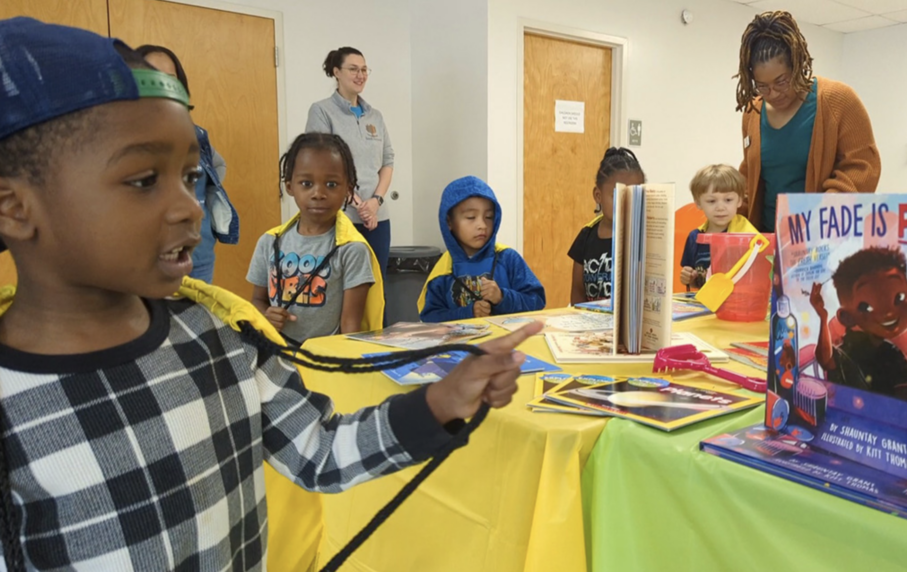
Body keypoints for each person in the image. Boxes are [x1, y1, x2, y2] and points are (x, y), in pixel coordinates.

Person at [0, 18, 536, 570]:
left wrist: (442, 401)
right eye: (142, 180)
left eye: (190, 177)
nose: (188, 208)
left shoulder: (221, 339)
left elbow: (320, 450)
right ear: (15, 207)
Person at [735, 11, 881, 232]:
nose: (772, 93)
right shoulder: (753, 110)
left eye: (781, 81)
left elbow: (861, 168)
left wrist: (817, 218)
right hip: (765, 240)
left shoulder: (837, 100)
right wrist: (727, 222)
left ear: (797, 64)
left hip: (822, 238)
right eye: (762, 86)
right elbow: (749, 177)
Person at [247, 133, 385, 345]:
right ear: (290, 186)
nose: (318, 193)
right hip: (277, 352)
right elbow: (257, 300)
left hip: (325, 359)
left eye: (331, 184)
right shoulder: (269, 242)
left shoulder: (352, 250)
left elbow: (350, 326)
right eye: (306, 183)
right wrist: (266, 314)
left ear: (348, 190)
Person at [136, 44, 239, 283]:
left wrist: (202, 196)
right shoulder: (123, 135)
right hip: (147, 256)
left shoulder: (194, 134)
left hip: (197, 252)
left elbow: (218, 166)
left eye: (170, 78)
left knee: (197, 319)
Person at [306, 47, 394, 291]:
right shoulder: (322, 111)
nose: (360, 75)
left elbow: (388, 160)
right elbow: (322, 163)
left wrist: (375, 201)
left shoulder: (375, 116)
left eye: (364, 69)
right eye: (353, 69)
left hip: (377, 218)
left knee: (376, 288)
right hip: (340, 216)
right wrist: (356, 202)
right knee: (341, 288)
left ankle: (378, 331)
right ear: (337, 72)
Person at [809, 247, 907, 406]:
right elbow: (826, 359)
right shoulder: (849, 352)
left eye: (899, 298)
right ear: (846, 317)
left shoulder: (891, 352)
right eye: (866, 307)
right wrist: (823, 317)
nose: (888, 313)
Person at [418, 176, 546, 322]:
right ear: (449, 222)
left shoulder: (508, 258)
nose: (482, 225)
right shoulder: (443, 270)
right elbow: (430, 318)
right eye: (471, 217)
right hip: (461, 344)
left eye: (489, 217)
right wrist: (468, 313)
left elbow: (537, 301)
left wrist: (502, 297)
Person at [568, 148, 645, 305]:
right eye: (618, 195)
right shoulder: (586, 235)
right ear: (598, 196)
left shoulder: (643, 235)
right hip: (592, 324)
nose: (626, 204)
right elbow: (577, 292)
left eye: (633, 196)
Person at [679, 164, 758, 289]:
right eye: (711, 201)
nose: (720, 208)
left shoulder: (748, 236)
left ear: (739, 201)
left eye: (728, 200)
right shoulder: (695, 237)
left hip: (736, 304)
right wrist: (689, 278)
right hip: (704, 305)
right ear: (698, 203)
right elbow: (695, 283)